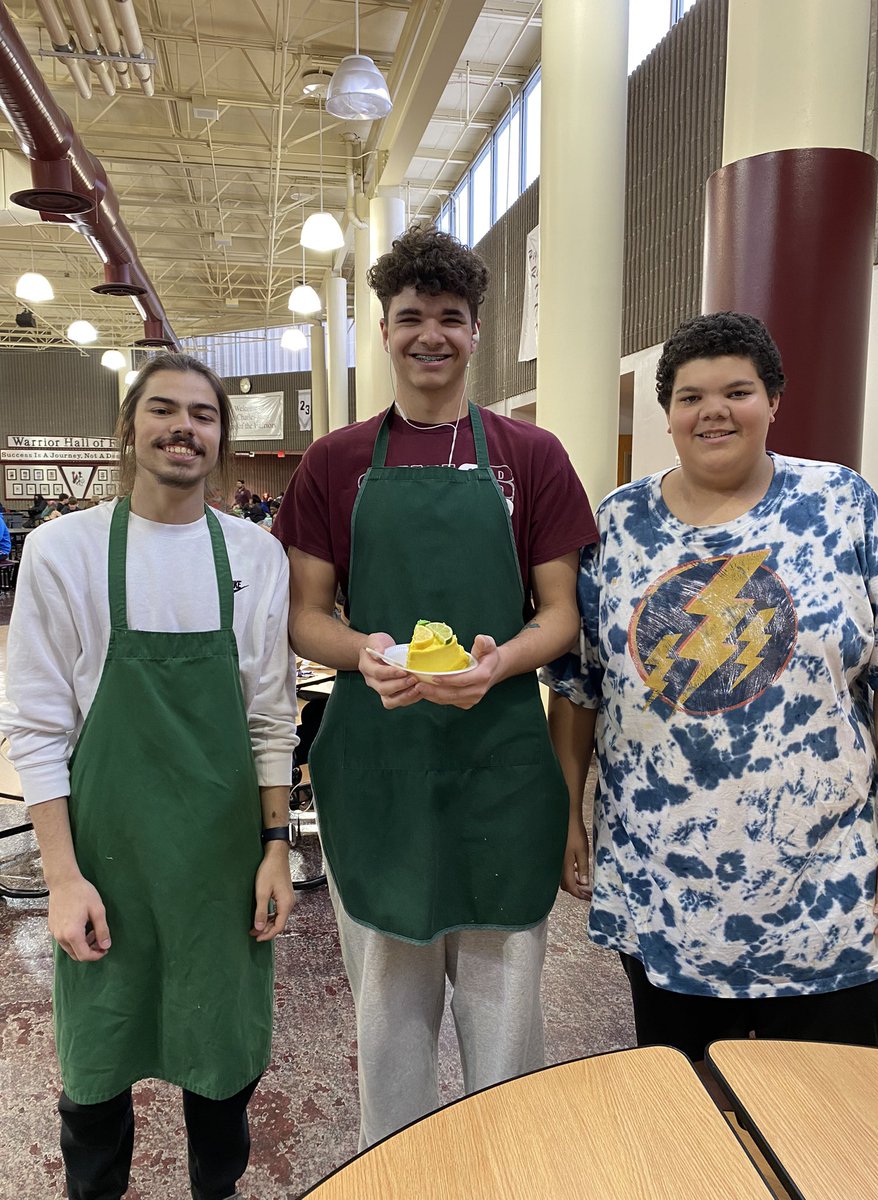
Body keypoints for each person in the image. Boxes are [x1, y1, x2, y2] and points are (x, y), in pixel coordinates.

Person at [274, 224, 597, 1148]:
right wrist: (364, 653)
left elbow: (559, 614)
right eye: (409, 316)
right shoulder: (335, 463)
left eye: (449, 318)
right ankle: (399, 1168)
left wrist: (498, 662)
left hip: (499, 762)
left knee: (505, 1023)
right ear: (383, 330)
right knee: (390, 1019)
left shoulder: (530, 456)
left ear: (476, 330)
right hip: (378, 762)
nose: (429, 335)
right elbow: (306, 613)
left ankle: (506, 1167)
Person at [544, 311, 878, 1084]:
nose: (714, 411)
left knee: (830, 1133)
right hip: (669, 896)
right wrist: (566, 813)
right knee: (696, 1128)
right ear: (667, 415)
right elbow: (579, 689)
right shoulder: (619, 526)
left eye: (737, 391)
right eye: (690, 396)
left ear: (774, 400)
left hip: (830, 897)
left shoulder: (842, 504)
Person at [1, 352, 297, 1200]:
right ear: (129, 429)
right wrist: (61, 878)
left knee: (222, 1067)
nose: (183, 428)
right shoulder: (67, 549)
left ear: (220, 437)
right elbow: (36, 726)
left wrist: (275, 846)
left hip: (221, 861)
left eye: (202, 415)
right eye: (163, 410)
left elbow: (270, 716)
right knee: (96, 1069)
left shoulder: (255, 556)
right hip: (107, 857)